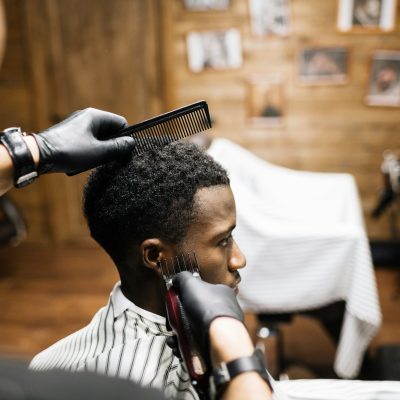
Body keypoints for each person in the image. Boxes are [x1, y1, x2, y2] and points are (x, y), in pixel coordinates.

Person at [1, 111, 273, 400]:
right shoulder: (133, 388)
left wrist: (28, 152)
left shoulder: (43, 367)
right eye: (223, 241)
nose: (239, 259)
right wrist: (236, 349)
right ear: (155, 256)